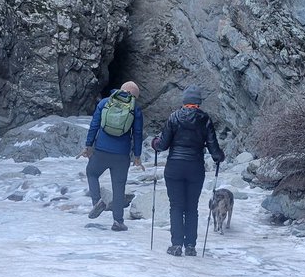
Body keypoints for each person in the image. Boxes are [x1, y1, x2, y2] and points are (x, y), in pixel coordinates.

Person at [151, 86, 225, 256]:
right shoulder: (205, 119)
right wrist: (220, 156)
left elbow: (162, 145)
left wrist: (154, 143)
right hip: (195, 168)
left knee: (176, 206)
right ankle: (190, 245)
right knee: (192, 207)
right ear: (198, 102)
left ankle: (176, 245)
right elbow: (215, 151)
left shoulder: (174, 117)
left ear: (184, 101)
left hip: (175, 167)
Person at [81, 80, 144, 232]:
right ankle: (118, 222)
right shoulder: (135, 108)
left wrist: (88, 146)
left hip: (101, 150)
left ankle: (97, 202)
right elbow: (137, 133)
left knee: (92, 173)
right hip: (121, 155)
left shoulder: (104, 102)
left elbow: (94, 125)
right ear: (133, 95)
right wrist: (137, 155)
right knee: (119, 187)